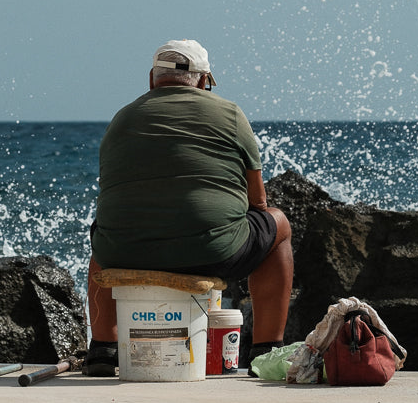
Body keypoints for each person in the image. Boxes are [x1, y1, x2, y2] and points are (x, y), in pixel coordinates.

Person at [84, 39, 293, 377]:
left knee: (103, 237)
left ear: (153, 79)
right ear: (202, 80)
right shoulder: (229, 113)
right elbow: (259, 201)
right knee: (278, 227)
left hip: (125, 253)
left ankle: (103, 350)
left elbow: (113, 194)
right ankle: (266, 351)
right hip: (211, 253)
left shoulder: (122, 118)